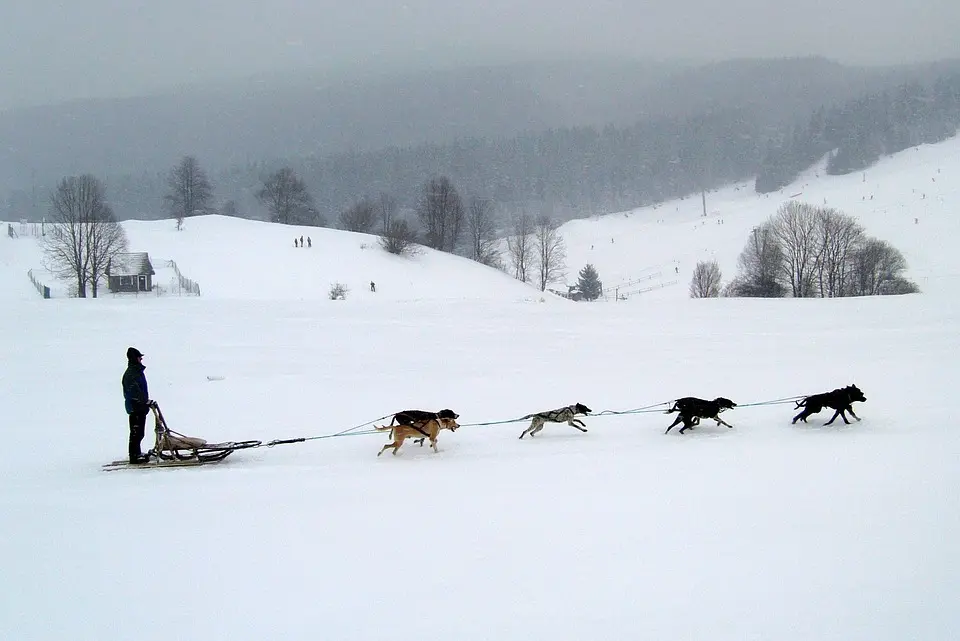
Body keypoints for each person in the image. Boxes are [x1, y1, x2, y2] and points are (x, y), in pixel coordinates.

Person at [122, 347, 153, 464]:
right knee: (136, 433)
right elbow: (135, 391)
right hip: (136, 407)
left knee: (139, 432)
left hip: (139, 406)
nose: (141, 359)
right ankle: (134, 456)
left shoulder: (136, 371)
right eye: (140, 357)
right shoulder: (132, 373)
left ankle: (137, 453)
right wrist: (144, 401)